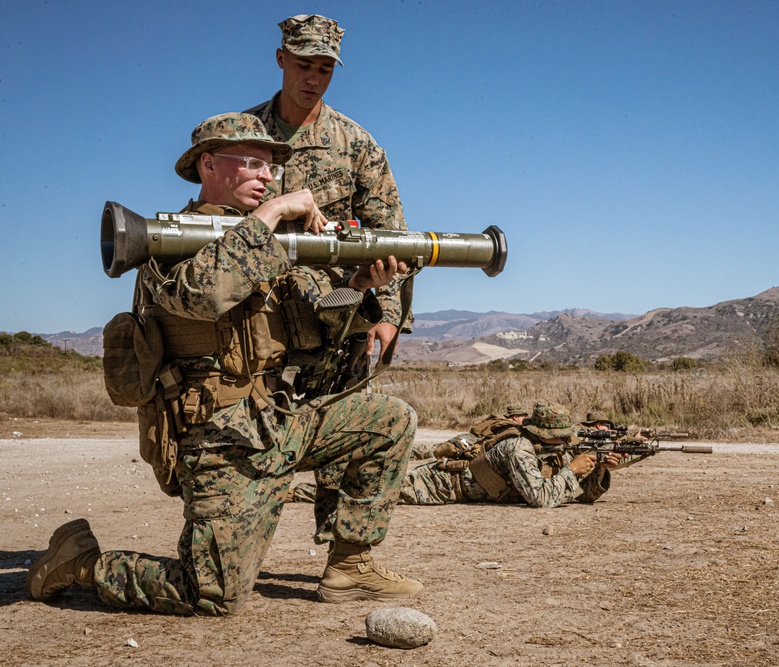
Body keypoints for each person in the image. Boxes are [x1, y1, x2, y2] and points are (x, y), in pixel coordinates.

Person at [26, 113, 422, 616]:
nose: (265, 175)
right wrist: (274, 213)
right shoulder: (168, 238)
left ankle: (350, 568)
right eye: (253, 163)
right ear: (208, 164)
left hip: (278, 422)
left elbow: (318, 329)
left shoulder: (276, 241)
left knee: (390, 421)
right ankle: (82, 563)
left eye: (271, 168)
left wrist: (361, 287)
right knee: (212, 596)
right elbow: (203, 293)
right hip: (219, 440)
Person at [245, 14, 411, 360]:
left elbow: (392, 235)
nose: (313, 79)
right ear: (281, 59)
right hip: (252, 315)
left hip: (335, 314)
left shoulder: (356, 144)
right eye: (304, 65)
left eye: (325, 70)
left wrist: (389, 313)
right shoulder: (244, 137)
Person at [289, 403, 533, 503]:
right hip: (441, 478)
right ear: (514, 417)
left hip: (445, 471)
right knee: (373, 490)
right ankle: (298, 492)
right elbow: (444, 449)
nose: (523, 420)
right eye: (521, 416)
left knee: (380, 483)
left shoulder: (502, 431)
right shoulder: (502, 431)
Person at [397, 403, 624, 507]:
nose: (567, 440)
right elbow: (541, 498)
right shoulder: (519, 447)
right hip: (436, 486)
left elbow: (580, 496)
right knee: (378, 489)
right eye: (561, 436)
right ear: (543, 434)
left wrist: (600, 470)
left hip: (456, 493)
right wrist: (572, 469)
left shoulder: (553, 448)